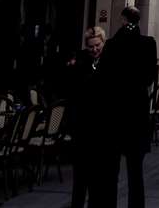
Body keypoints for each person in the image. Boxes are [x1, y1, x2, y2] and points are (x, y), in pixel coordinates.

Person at [98, 6, 158, 208]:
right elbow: (150, 76)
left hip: (114, 115)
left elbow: (103, 79)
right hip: (137, 115)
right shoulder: (148, 44)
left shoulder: (113, 44)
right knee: (135, 172)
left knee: (110, 172)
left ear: (123, 20)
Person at [65, 27, 115, 207]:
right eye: (91, 46)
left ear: (103, 43)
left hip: (102, 129)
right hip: (82, 128)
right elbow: (73, 93)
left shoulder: (110, 63)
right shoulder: (80, 63)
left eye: (97, 45)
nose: (94, 49)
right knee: (80, 179)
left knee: (98, 180)